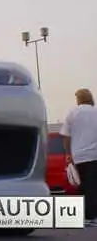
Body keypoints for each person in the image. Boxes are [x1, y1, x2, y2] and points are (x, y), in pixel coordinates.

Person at [60, 88, 97, 226]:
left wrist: (68, 154)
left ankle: (81, 216)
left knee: (80, 185)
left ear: (79, 99)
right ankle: (91, 216)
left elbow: (66, 136)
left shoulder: (72, 113)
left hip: (78, 155)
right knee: (92, 186)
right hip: (94, 155)